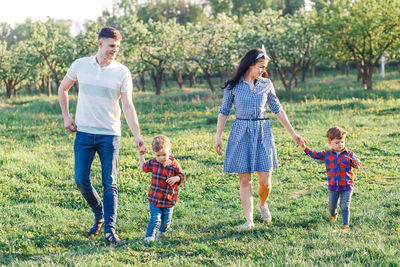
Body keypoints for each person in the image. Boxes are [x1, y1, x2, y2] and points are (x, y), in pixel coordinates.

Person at [58, 27, 146, 247]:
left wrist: (137, 134)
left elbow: (128, 105)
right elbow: (63, 89)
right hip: (84, 132)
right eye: (110, 46)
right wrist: (67, 116)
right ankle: (99, 212)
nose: (114, 50)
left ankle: (110, 230)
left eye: (117, 47)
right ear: (99, 44)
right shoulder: (80, 65)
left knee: (110, 183)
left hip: (110, 134)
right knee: (81, 180)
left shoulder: (122, 72)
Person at [214, 48, 305, 230]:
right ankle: (249, 220)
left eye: (264, 67)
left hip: (262, 131)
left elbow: (278, 109)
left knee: (265, 182)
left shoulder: (266, 84)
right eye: (260, 66)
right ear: (250, 65)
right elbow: (224, 111)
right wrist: (218, 137)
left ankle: (262, 204)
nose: (263, 70)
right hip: (241, 132)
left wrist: (294, 134)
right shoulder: (233, 86)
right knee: (245, 180)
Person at [300, 126, 361, 230]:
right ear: (330, 143)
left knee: (345, 206)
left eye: (342, 142)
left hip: (347, 185)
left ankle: (345, 224)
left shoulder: (349, 154)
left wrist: (357, 163)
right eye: (337, 142)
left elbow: (356, 165)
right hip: (333, 185)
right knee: (332, 206)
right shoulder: (326, 154)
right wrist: (304, 147)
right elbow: (314, 154)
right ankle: (333, 215)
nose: (340, 144)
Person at [138, 135, 185, 242]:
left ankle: (162, 233)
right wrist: (141, 155)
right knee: (155, 219)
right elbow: (144, 168)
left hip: (169, 199)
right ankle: (149, 237)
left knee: (166, 221)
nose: (161, 158)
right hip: (155, 198)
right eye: (158, 155)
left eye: (164, 155)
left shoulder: (174, 164)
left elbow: (182, 175)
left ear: (169, 151)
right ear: (154, 154)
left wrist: (176, 178)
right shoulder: (154, 162)